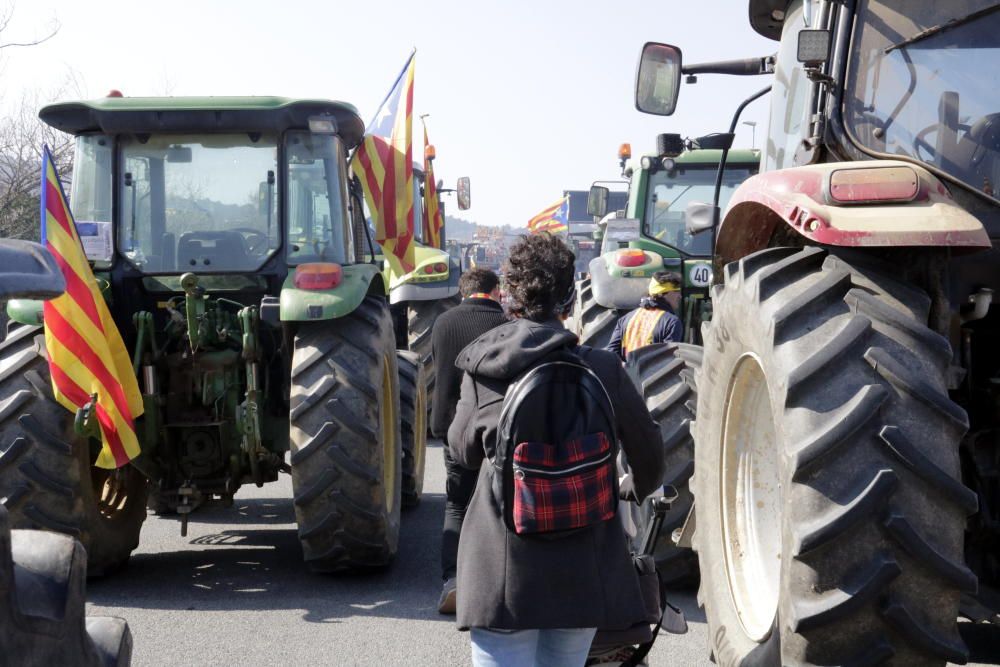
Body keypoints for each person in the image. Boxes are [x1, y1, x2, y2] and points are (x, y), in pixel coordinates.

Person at [448, 234, 665, 667]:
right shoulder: (604, 368)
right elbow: (650, 458)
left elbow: (463, 451)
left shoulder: (486, 367)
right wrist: (629, 488)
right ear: (570, 295)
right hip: (583, 572)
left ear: (510, 295)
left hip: (501, 572)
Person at [430, 267, 508, 614]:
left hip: (453, 425)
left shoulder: (444, 322)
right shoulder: (506, 324)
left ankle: (453, 581)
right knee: (499, 504)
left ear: (465, 291)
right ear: (494, 291)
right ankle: (497, 581)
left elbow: (440, 370)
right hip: (497, 427)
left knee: (457, 503)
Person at [606, 271, 683, 361]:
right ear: (663, 293)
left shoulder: (626, 319)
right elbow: (669, 362)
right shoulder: (672, 322)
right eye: (676, 291)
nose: (680, 296)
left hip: (625, 373)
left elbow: (611, 354)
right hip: (656, 375)